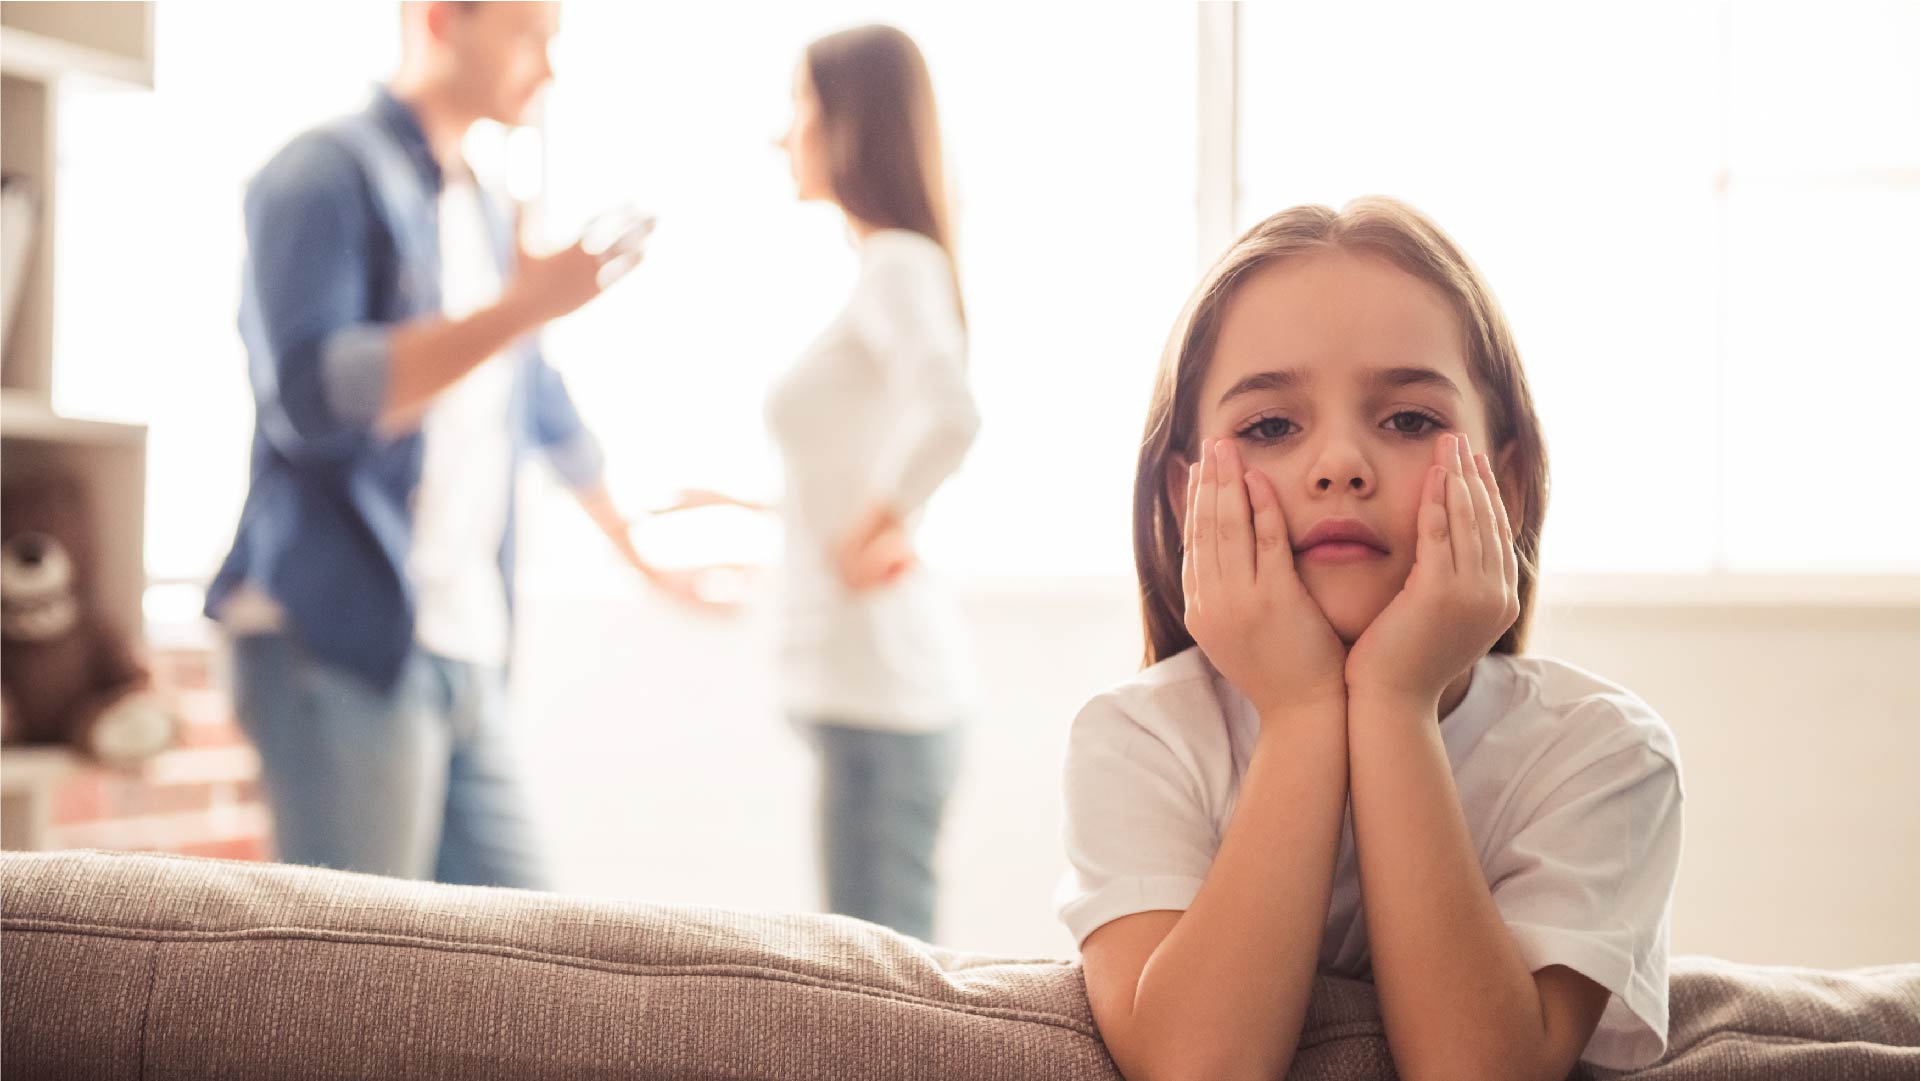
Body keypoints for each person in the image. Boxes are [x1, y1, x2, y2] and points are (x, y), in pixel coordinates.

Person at [1056, 198, 1685, 1080]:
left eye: (1408, 420)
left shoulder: (1601, 753)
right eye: (1271, 426)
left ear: (1503, 484)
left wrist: (1392, 701)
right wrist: (1305, 708)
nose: (1339, 462)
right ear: (1184, 493)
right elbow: (1200, 1066)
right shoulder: (1135, 740)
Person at [205, 1, 696, 887]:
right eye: (527, 34)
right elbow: (314, 399)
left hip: (465, 634)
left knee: (528, 962)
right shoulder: (320, 173)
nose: (547, 65)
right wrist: (518, 310)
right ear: (442, 19)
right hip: (341, 635)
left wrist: (641, 554)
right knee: (353, 979)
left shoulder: (479, 200)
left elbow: (534, 396)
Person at [677, 25, 979, 941]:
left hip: (883, 700)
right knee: (867, 971)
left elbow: (951, 414)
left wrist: (878, 528)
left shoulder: (895, 264)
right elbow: (866, 461)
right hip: (866, 701)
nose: (784, 133)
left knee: (876, 993)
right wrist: (757, 508)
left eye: (800, 105)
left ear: (850, 122)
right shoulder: (882, 271)